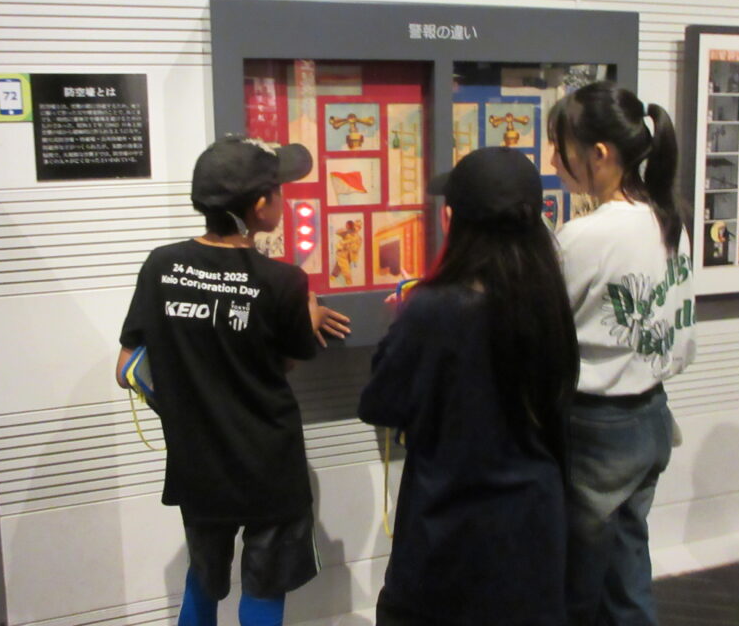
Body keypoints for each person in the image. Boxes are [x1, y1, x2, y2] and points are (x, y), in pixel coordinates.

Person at [117, 136, 351, 626]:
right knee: (264, 585)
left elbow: (126, 367)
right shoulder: (283, 281)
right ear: (261, 206)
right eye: (279, 191)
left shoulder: (161, 265)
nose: (283, 200)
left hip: (197, 463)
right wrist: (308, 314)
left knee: (202, 580)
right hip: (268, 464)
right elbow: (286, 363)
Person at [359, 147, 580, 626]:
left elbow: (379, 403)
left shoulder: (432, 309)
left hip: (448, 527)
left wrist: (398, 328)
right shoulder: (548, 301)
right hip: (532, 528)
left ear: (450, 219)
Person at [547, 81, 696, 626]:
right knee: (626, 576)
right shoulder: (668, 218)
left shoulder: (582, 237)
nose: (554, 160)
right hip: (651, 415)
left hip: (597, 429)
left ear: (599, 154)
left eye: (562, 147)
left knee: (576, 591)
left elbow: (541, 328)